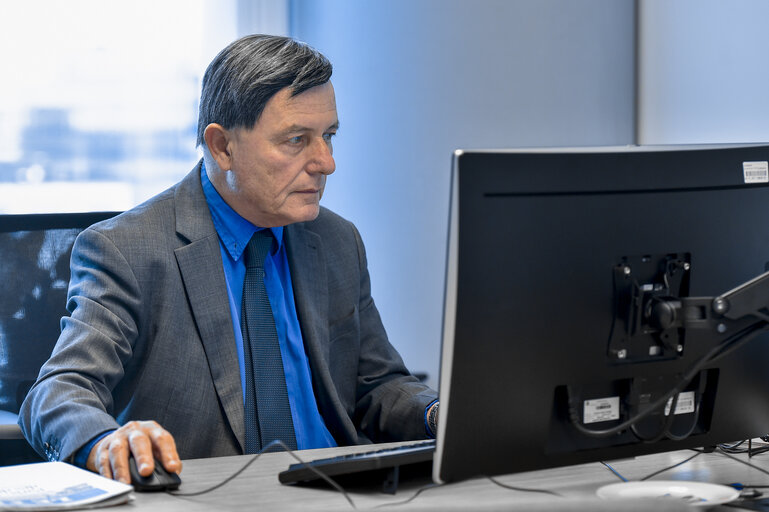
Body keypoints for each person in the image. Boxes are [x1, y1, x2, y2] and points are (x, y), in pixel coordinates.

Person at [18, 34, 438, 484]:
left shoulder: (336, 240)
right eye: (297, 140)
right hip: (212, 496)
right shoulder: (128, 250)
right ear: (222, 147)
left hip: (339, 491)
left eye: (329, 136)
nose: (326, 163)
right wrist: (105, 442)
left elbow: (377, 386)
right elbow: (58, 392)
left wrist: (438, 413)